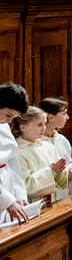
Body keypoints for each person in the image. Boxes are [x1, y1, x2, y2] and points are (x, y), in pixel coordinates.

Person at [14, 108, 69, 203]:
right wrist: (52, 171)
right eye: (39, 124)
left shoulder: (49, 147)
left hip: (54, 202)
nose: (44, 128)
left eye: (44, 124)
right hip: (32, 204)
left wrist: (62, 173)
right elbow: (25, 186)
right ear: (23, 128)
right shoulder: (17, 152)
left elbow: (60, 182)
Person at [39, 97, 72, 198]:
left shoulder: (61, 139)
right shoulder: (38, 143)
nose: (67, 117)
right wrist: (65, 175)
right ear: (51, 117)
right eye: (64, 113)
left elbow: (69, 162)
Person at [0, 82, 30, 224]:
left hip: (8, 182)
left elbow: (13, 161)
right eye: (8, 115)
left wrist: (19, 195)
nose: (9, 120)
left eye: (13, 117)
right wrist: (7, 201)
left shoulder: (4, 125)